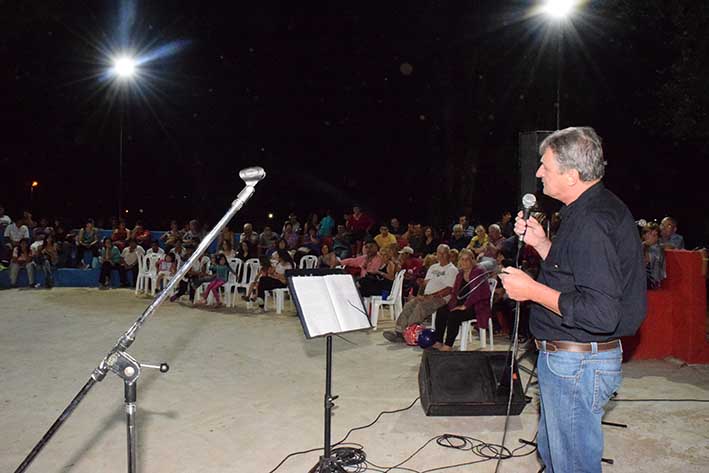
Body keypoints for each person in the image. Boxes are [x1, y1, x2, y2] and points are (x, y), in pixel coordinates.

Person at [498, 127, 646, 473]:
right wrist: (542, 244)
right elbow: (579, 276)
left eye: (545, 167)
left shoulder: (592, 221)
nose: (538, 174)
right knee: (556, 455)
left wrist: (532, 291)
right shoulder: (589, 209)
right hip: (572, 363)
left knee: (571, 465)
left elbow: (601, 312)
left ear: (572, 175)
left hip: (577, 366)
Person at [383, 244, 458, 343]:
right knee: (409, 305)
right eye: (439, 253)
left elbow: (448, 290)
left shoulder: (452, 270)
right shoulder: (433, 267)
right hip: (427, 295)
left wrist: (431, 296)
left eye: (443, 253)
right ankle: (399, 331)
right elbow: (425, 284)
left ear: (448, 254)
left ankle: (408, 332)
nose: (441, 255)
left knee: (421, 307)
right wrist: (420, 293)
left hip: (440, 298)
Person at [432, 249, 491, 351]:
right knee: (442, 310)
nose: (464, 262)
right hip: (461, 304)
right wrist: (451, 305)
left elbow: (476, 294)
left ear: (472, 260)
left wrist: (464, 306)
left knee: (454, 315)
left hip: (477, 306)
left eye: (467, 259)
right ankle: (439, 341)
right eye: (462, 259)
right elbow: (455, 293)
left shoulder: (479, 271)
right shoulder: (460, 274)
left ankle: (448, 345)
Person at [642, 222, 666, 289]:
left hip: (651, 279)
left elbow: (645, 261)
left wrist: (644, 246)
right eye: (651, 234)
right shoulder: (639, 245)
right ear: (644, 235)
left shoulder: (659, 248)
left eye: (656, 235)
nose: (654, 237)